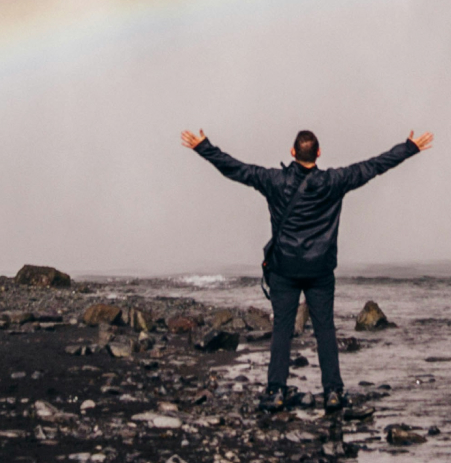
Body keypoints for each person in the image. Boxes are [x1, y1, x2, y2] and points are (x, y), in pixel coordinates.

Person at [180, 126, 434, 412]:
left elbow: (235, 169)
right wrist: (409, 148)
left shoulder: (273, 180)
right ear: (319, 153)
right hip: (320, 270)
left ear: (292, 153)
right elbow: (374, 166)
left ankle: (276, 391)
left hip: (284, 269)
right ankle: (334, 392)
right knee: (325, 329)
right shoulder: (335, 181)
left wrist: (203, 147)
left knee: (282, 329)